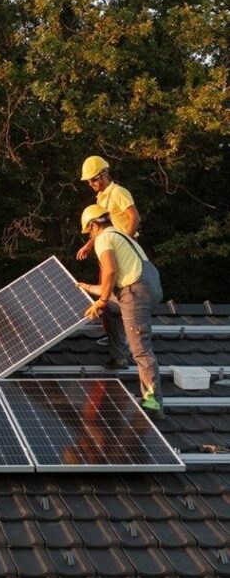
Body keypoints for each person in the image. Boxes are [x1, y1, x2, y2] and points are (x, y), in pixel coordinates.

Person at [76, 204, 164, 419]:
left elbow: (111, 272)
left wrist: (101, 300)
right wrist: (87, 288)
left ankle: (153, 404)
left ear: (95, 225)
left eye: (90, 231)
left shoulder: (104, 238)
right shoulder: (119, 234)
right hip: (143, 286)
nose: (91, 236)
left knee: (141, 350)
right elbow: (112, 284)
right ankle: (118, 357)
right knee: (112, 310)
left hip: (135, 293)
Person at [76, 156, 140, 261]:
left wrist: (124, 243)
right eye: (88, 181)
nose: (91, 184)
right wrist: (89, 245)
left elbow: (135, 218)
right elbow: (101, 229)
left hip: (128, 247)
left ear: (104, 173)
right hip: (113, 247)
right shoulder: (100, 199)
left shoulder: (118, 192)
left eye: (93, 179)